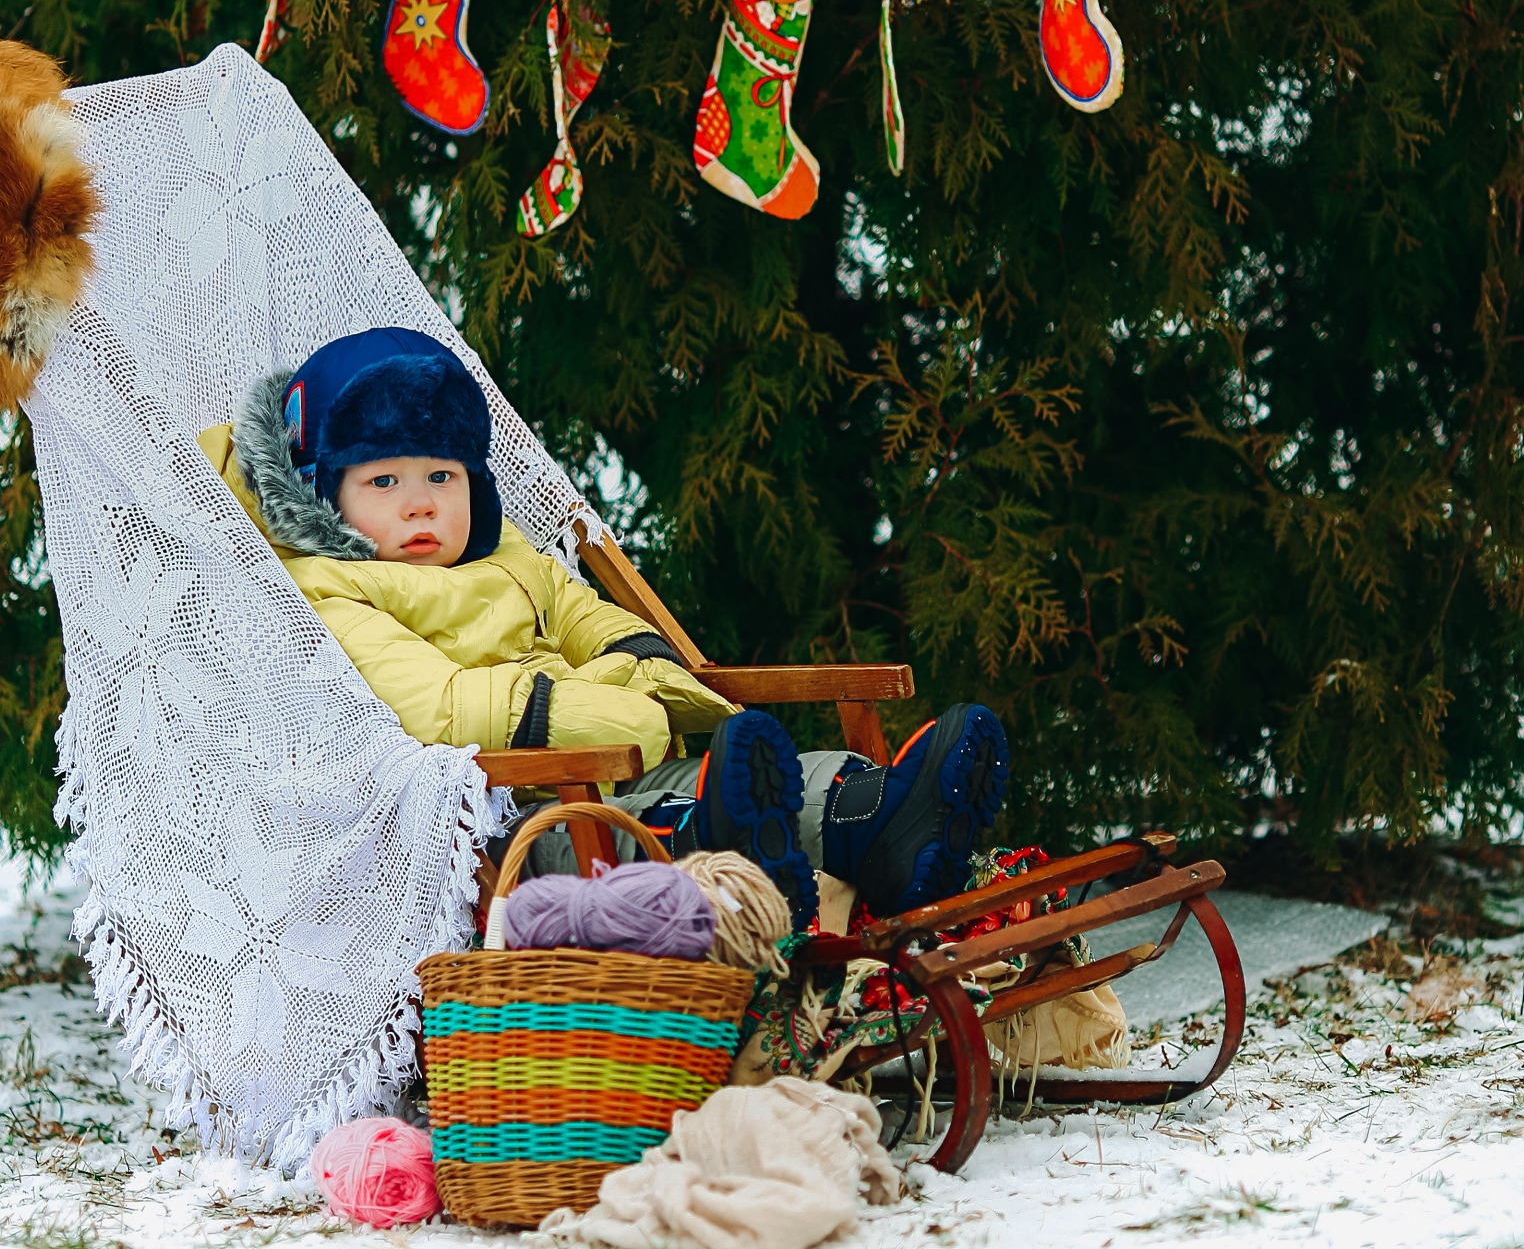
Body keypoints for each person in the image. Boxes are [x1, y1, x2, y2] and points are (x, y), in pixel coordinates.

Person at [198, 328, 1010, 928]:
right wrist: (594, 706)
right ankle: (730, 864)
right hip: (517, 813)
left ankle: (883, 819)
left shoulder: (509, 555)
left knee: (777, 775)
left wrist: (642, 681)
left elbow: (593, 621)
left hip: (612, 752)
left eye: (442, 475)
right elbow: (435, 705)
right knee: (654, 821)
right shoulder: (329, 592)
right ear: (318, 494)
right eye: (383, 480)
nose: (421, 503)